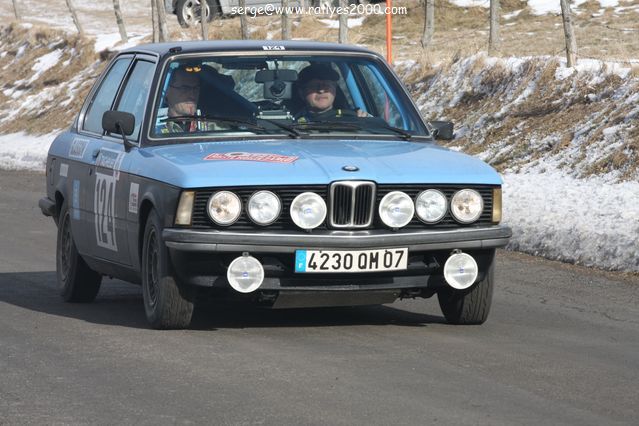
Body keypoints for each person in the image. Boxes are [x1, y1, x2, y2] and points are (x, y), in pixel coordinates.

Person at [295, 64, 369, 123]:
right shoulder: (291, 122)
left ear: (335, 90)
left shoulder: (355, 118)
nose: (321, 91)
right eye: (314, 86)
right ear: (301, 93)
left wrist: (364, 122)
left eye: (327, 85)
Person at [156, 64, 208, 134]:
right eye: (185, 88)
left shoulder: (215, 127)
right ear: (167, 91)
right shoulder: (152, 129)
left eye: (196, 88)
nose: (192, 94)